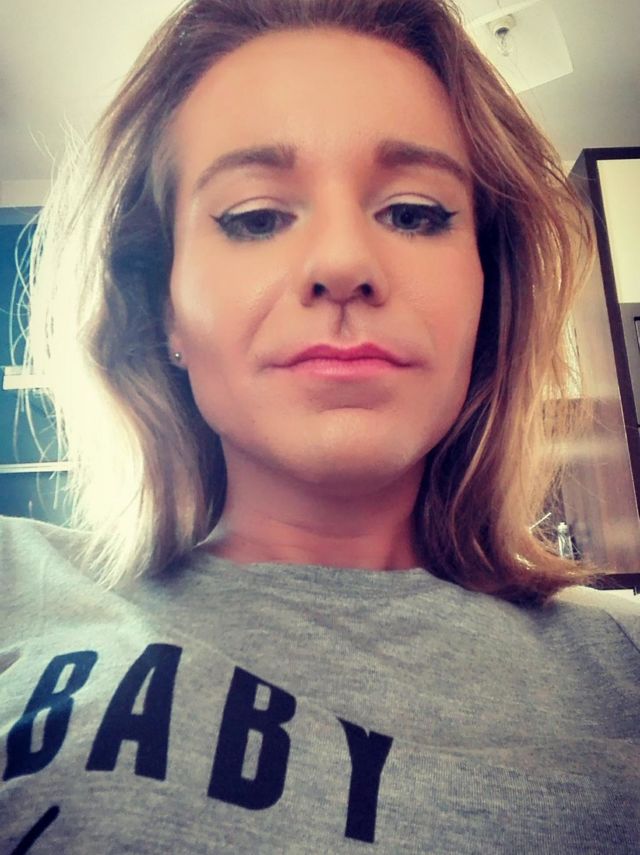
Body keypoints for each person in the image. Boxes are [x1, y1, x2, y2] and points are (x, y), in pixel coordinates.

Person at [1, 0, 638, 851]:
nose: (343, 262)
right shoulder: (16, 586)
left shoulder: (623, 662)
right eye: (256, 216)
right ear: (164, 308)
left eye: (414, 212)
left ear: (488, 292)